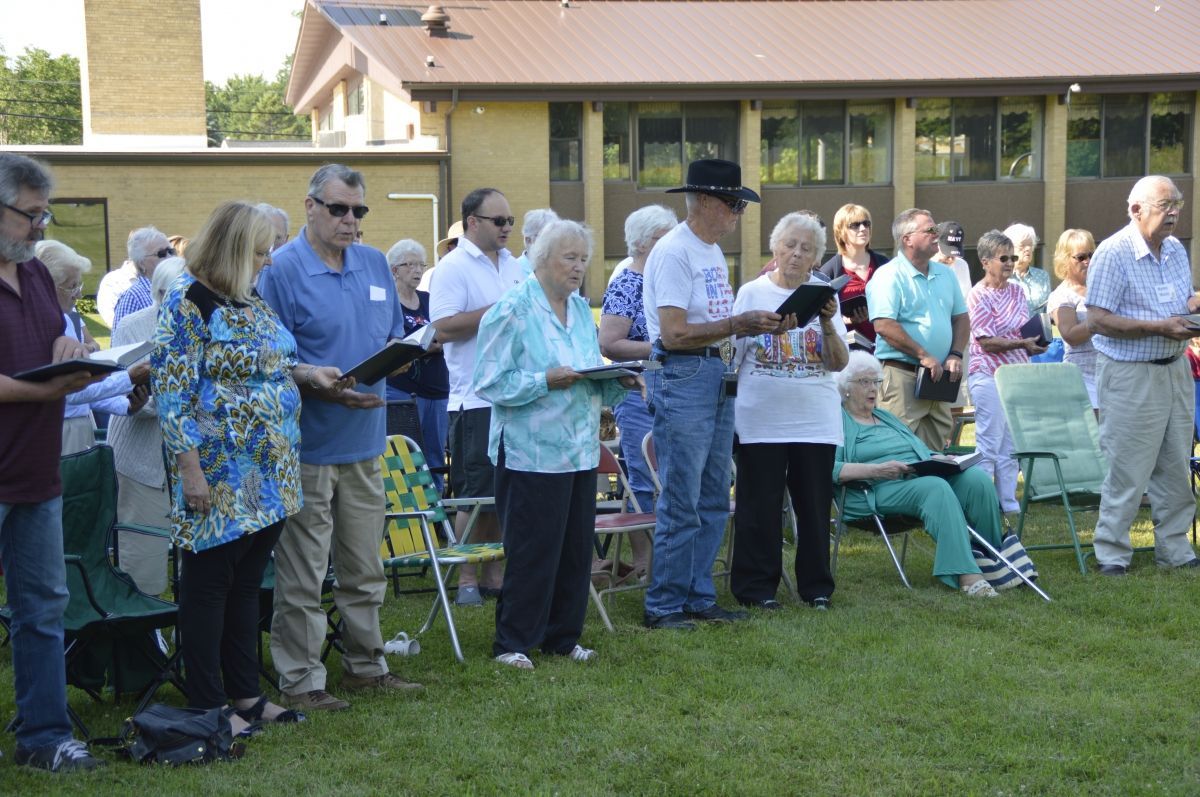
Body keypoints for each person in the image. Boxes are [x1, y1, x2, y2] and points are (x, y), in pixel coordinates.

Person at [154, 201, 347, 733]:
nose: (268, 261)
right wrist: (191, 472)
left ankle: (246, 695)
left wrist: (308, 373)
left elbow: (274, 361)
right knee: (209, 588)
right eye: (261, 252)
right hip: (218, 471)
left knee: (245, 587)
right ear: (234, 250)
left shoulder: (247, 297)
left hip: (270, 470)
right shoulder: (188, 302)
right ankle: (208, 703)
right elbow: (172, 396)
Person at [259, 164, 423, 712]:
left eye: (359, 210)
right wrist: (317, 383)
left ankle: (366, 666)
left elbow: (392, 337)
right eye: (338, 209)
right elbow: (267, 361)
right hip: (307, 447)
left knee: (364, 568)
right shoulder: (281, 269)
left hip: (366, 441)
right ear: (310, 206)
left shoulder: (374, 262)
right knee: (303, 574)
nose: (350, 220)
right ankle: (302, 681)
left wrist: (401, 357)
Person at [474, 220, 637, 669]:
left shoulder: (582, 310)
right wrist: (544, 380)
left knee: (574, 548)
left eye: (584, 259)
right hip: (531, 451)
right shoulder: (512, 309)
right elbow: (489, 381)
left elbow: (588, 369)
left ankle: (562, 638)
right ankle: (513, 642)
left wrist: (618, 381)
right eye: (570, 258)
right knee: (533, 549)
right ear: (542, 259)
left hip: (579, 447)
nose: (579, 267)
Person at [641, 158, 791, 631]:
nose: (738, 214)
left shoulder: (708, 251)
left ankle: (697, 595)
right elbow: (672, 334)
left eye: (740, 205)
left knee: (711, 495)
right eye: (733, 204)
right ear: (704, 201)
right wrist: (738, 323)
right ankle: (664, 603)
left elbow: (710, 325)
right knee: (682, 496)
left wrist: (752, 328)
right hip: (684, 374)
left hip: (714, 372)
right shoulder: (674, 252)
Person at [0, 152, 107, 771]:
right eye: (30, 215)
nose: (41, 226)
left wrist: (69, 344)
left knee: (42, 610)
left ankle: (44, 737)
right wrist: (41, 392)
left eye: (46, 214)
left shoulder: (37, 273)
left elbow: (59, 340)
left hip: (37, 474)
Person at [731, 212, 848, 610]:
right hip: (761, 418)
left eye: (806, 248)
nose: (797, 254)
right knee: (758, 508)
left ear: (817, 257)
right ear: (775, 248)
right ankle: (756, 589)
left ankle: (817, 588)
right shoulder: (751, 293)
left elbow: (839, 363)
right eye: (790, 245)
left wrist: (827, 324)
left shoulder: (824, 296)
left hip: (815, 420)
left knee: (813, 509)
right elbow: (732, 356)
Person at [1085, 175, 1200, 575]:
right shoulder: (1113, 252)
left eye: (1177, 205)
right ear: (1136, 210)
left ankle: (1175, 549)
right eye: (1165, 206)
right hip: (1130, 373)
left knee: (1176, 465)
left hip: (1176, 368)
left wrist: (1193, 307)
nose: (1174, 214)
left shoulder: (1175, 249)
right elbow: (1096, 319)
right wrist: (1158, 327)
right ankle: (1112, 553)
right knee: (1128, 468)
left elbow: (1179, 299)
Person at [833, 352, 1005, 598]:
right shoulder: (837, 424)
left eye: (876, 382)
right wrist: (879, 470)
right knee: (935, 488)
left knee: (976, 480)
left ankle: (992, 561)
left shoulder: (885, 417)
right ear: (845, 388)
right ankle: (966, 575)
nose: (873, 388)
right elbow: (829, 469)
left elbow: (918, 449)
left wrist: (939, 459)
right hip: (872, 490)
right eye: (864, 382)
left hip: (914, 477)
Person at [430, 188, 525, 606]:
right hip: (475, 399)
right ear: (472, 222)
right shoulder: (452, 267)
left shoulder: (514, 265)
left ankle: (494, 573)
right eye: (498, 221)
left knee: (504, 489)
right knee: (474, 492)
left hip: (514, 394)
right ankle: (466, 578)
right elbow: (442, 328)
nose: (507, 228)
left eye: (510, 221)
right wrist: (499, 310)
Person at [599, 203, 677, 580]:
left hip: (677, 388)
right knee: (643, 480)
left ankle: (670, 560)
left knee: (672, 477)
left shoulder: (672, 280)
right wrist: (663, 347)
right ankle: (646, 563)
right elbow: (609, 343)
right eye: (665, 237)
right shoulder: (627, 283)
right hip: (637, 392)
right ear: (643, 242)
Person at [108, 255, 188, 595]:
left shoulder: (209, 325)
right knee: (143, 552)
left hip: (195, 456)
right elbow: (119, 390)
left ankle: (193, 618)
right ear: (158, 293)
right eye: (174, 295)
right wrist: (163, 402)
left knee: (198, 556)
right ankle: (143, 618)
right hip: (140, 456)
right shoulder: (133, 326)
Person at [866, 208, 969, 452]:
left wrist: (955, 353)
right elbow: (884, 325)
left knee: (935, 455)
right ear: (907, 239)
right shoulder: (888, 275)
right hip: (902, 378)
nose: (937, 234)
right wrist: (923, 355)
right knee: (898, 453)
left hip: (938, 378)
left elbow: (962, 318)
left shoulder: (946, 274)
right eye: (930, 229)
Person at [35, 239, 151, 454]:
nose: (79, 294)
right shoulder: (39, 326)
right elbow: (71, 390)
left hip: (77, 426)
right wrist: (128, 378)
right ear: (47, 287)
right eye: (72, 286)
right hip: (58, 431)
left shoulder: (65, 319)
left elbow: (81, 396)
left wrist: (125, 405)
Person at [966, 230, 1046, 514]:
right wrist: (1022, 343)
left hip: (1016, 375)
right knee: (989, 442)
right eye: (1004, 258)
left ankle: (1008, 503)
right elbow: (987, 342)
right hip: (988, 374)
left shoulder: (1017, 291)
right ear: (986, 262)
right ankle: (983, 502)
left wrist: (1036, 342)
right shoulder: (977, 295)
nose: (1011, 262)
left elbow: (1022, 331)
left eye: (1012, 257)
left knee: (1011, 443)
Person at [384, 238, 450, 488]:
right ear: (394, 270)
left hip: (438, 389)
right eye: (410, 264)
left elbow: (445, 330)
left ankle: (437, 507)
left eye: (421, 264)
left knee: (435, 457)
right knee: (406, 456)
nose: (418, 270)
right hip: (402, 389)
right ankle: (409, 508)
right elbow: (388, 344)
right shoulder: (388, 303)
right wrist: (421, 348)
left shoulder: (429, 299)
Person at [818, 203, 888, 347]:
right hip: (848, 350)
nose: (863, 229)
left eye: (866, 224)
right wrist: (848, 320)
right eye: (855, 225)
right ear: (841, 232)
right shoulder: (828, 272)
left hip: (884, 348)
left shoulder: (885, 265)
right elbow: (820, 319)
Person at [1047, 228, 1098, 408]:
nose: (1088, 261)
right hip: (1082, 377)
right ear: (1065, 260)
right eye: (1081, 257)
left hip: (1112, 374)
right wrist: (1100, 321)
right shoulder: (1061, 296)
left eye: (1091, 255)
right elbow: (1071, 335)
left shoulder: (1101, 287)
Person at [113, 226, 174, 329]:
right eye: (161, 253)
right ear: (141, 264)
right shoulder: (133, 298)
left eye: (171, 251)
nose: (169, 257)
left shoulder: (181, 288)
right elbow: (121, 336)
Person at [1003, 223, 1051, 316]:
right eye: (1022, 245)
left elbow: (1047, 309)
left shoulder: (1042, 276)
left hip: (1037, 325)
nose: (1028, 249)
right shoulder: (1001, 277)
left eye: (1030, 245)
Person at [515, 207, 559, 277]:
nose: (552, 243)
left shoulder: (561, 268)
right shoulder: (513, 270)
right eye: (546, 238)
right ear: (528, 240)